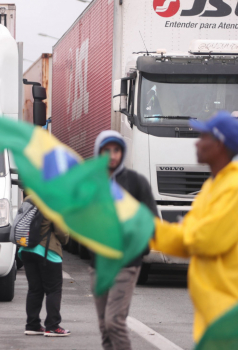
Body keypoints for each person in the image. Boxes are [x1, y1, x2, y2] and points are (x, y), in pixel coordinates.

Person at [151, 111, 238, 344]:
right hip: (213, 318)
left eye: (203, 137)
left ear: (219, 144)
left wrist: (157, 230)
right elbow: (186, 238)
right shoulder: (212, 186)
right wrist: (149, 231)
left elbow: (205, 239)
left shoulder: (234, 188)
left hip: (229, 317)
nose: (196, 142)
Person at [90, 131, 158, 350]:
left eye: (116, 150)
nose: (112, 156)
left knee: (114, 322)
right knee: (103, 325)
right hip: (99, 265)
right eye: (106, 150)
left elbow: (152, 221)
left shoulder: (136, 182)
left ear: (123, 152)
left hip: (126, 264)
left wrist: (140, 249)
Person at [20, 195, 71, 337]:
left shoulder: (29, 199)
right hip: (46, 251)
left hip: (26, 250)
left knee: (34, 289)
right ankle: (53, 326)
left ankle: (32, 325)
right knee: (53, 289)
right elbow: (62, 232)